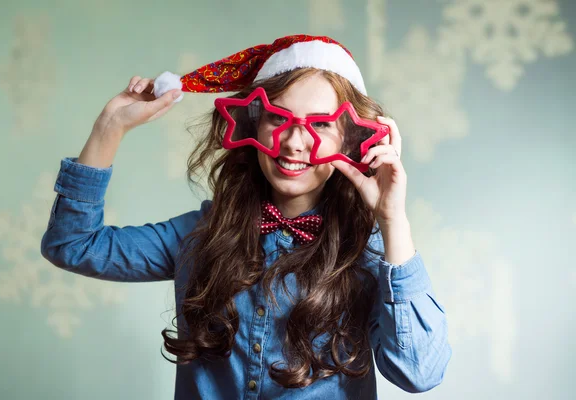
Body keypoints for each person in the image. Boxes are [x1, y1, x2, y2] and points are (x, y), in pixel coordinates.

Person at [41, 34, 451, 399]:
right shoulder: (200, 234)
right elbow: (73, 245)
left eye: (321, 124)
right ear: (253, 122)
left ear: (351, 139)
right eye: (278, 117)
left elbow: (419, 373)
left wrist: (392, 220)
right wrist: (109, 128)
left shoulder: (373, 254)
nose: (294, 143)